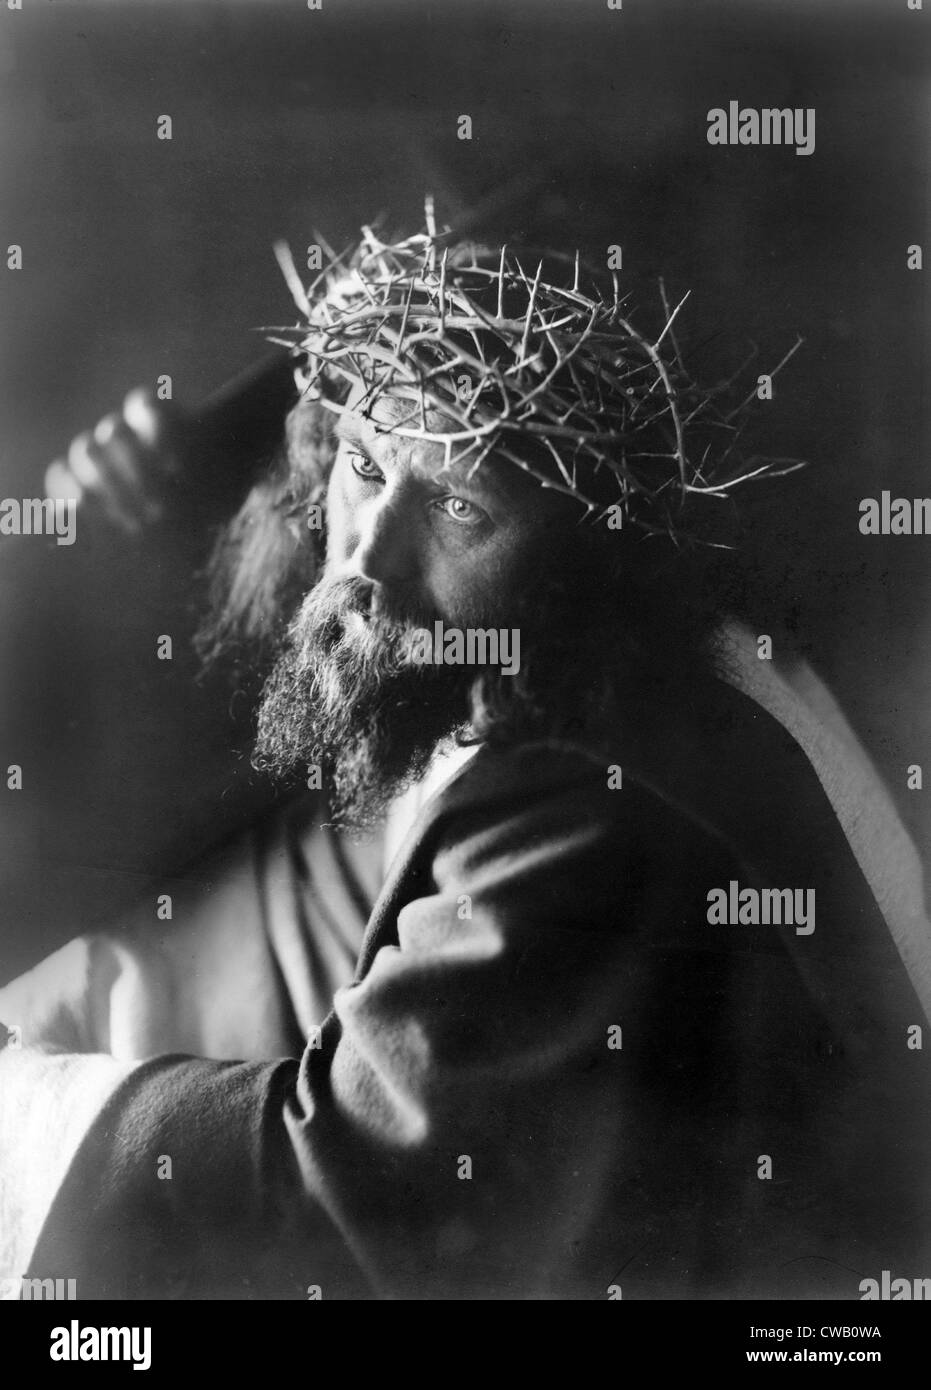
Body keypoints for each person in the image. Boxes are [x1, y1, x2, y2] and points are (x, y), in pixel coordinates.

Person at [1, 217, 929, 1301]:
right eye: (362, 465)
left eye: (456, 504)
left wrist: (20, 1105)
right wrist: (106, 528)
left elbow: (333, 1206)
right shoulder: (511, 648)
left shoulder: (602, 793)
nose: (368, 554)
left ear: (587, 556)